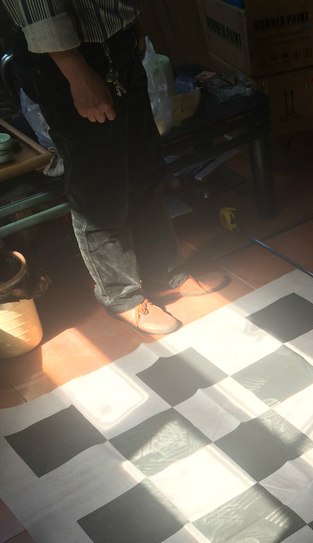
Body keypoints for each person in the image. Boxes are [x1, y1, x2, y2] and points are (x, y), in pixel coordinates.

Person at [0, 0, 225, 335]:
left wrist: (132, 23)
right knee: (99, 188)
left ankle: (165, 273)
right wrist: (76, 73)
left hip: (116, 39)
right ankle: (122, 296)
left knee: (144, 169)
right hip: (64, 59)